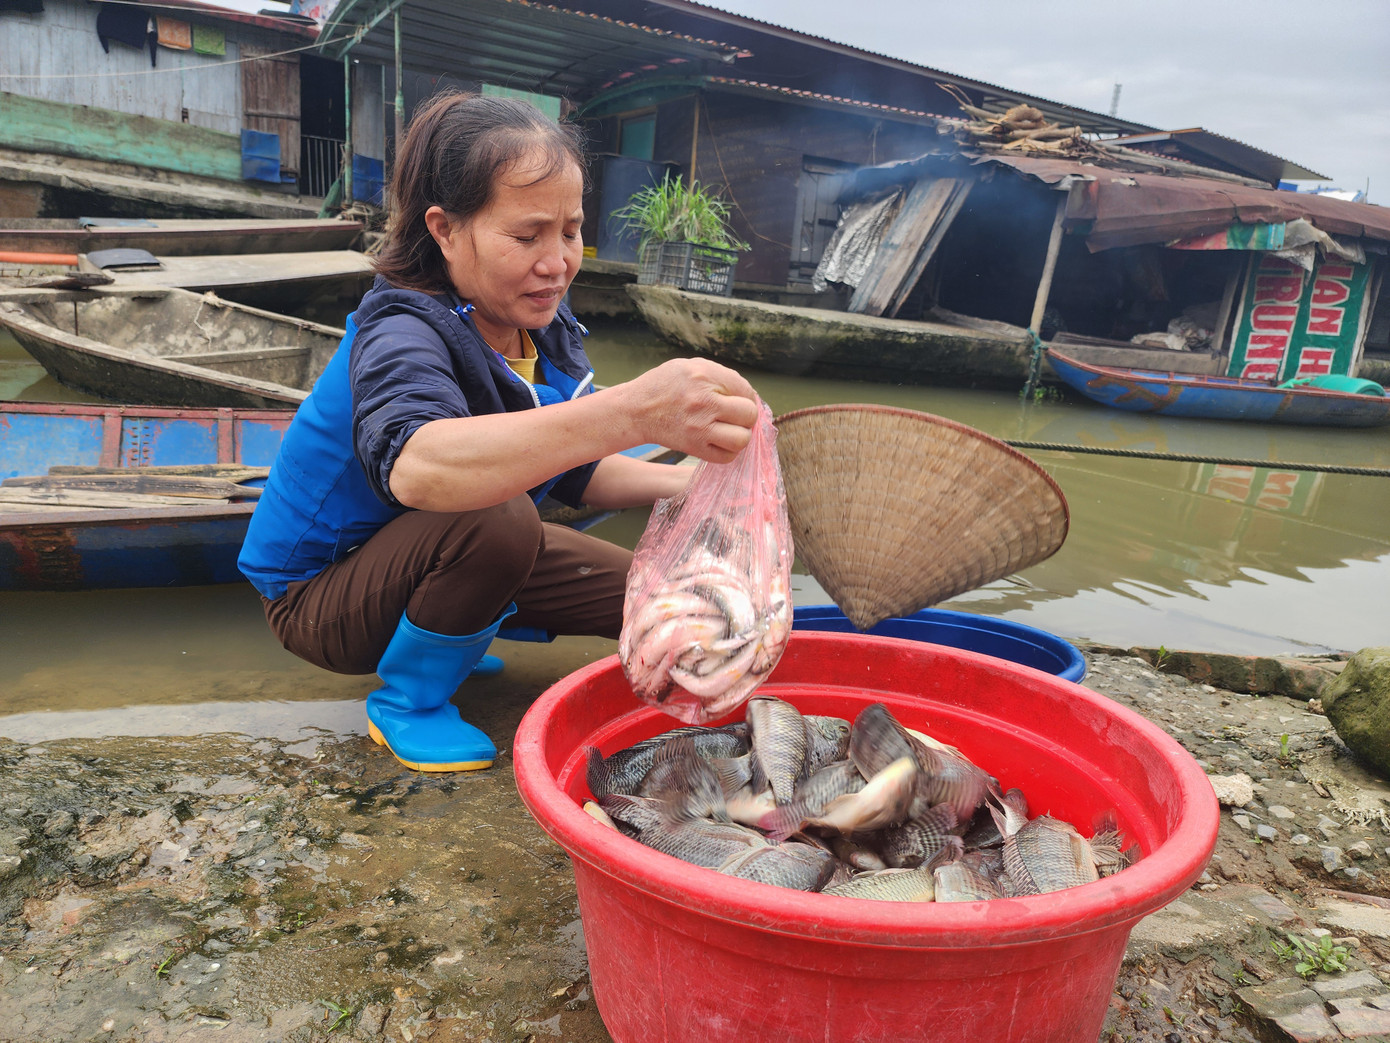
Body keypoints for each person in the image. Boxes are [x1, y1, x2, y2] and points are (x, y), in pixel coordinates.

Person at [238, 91, 759, 773]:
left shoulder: (539, 322)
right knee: (501, 516)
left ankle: (454, 624)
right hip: (321, 596)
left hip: (447, 547)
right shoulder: (400, 329)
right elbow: (419, 468)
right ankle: (410, 699)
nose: (557, 262)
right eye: (527, 236)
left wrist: (692, 484)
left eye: (570, 231)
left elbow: (571, 464)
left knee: (670, 601)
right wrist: (634, 411)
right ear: (446, 230)